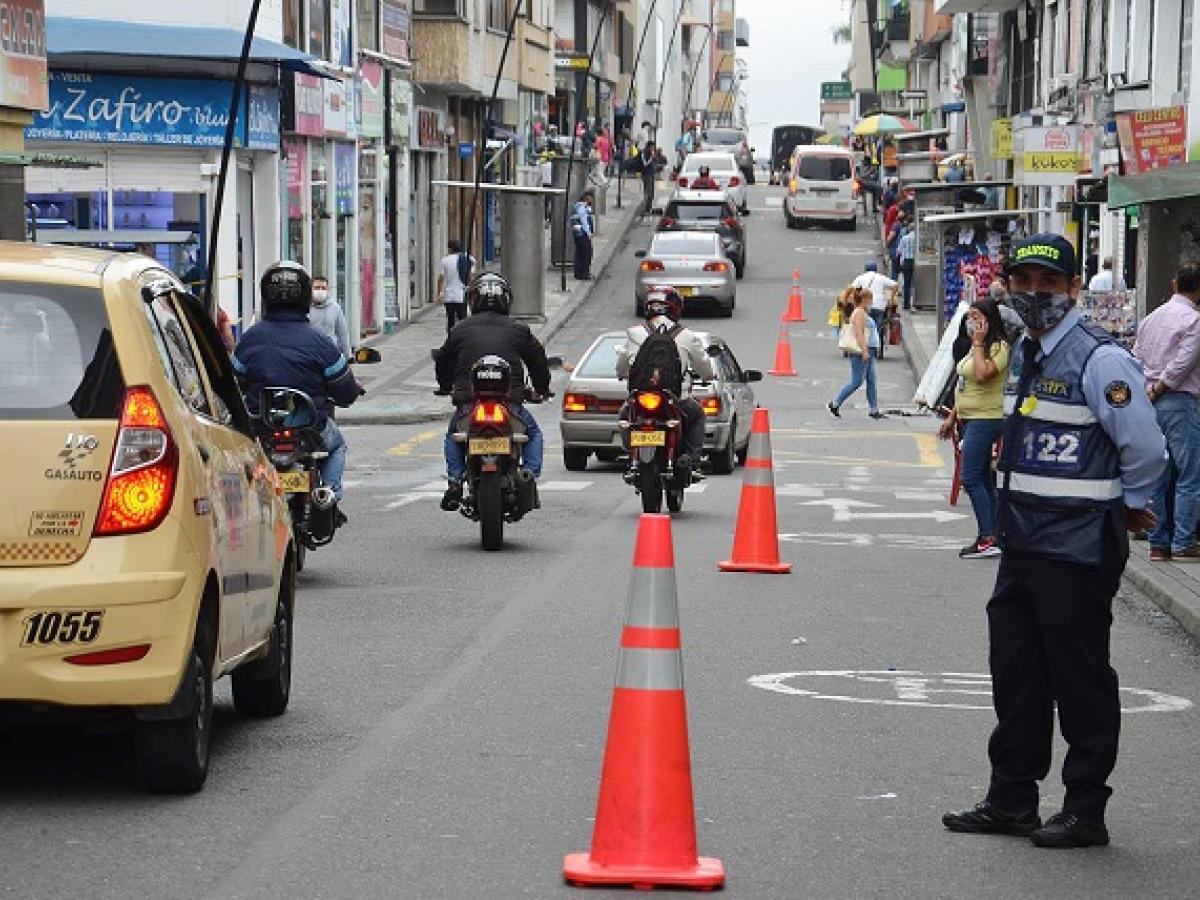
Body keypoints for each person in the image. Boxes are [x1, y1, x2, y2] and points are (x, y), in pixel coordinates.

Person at [943, 233, 1166, 849]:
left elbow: (1145, 447)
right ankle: (1012, 799)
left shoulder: (1100, 360)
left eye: (1049, 284)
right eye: (1024, 283)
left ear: (1075, 289)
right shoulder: (1027, 354)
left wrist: (1132, 504)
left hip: (1078, 547)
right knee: (1017, 674)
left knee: (1080, 678)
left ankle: (1084, 809)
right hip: (1024, 543)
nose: (1035, 294)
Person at [233, 261, 363, 503]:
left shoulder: (250, 339)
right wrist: (350, 391)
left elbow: (232, 383)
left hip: (262, 428)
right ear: (306, 296)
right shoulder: (321, 342)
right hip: (312, 429)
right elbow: (345, 391)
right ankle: (329, 491)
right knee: (337, 447)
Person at [434, 273, 551, 511]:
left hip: (469, 404)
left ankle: (455, 481)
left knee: (453, 436)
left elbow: (443, 362)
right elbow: (538, 361)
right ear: (506, 299)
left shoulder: (460, 329)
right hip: (510, 404)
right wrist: (542, 389)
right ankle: (528, 475)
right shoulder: (519, 329)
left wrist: (446, 386)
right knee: (533, 434)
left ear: (473, 299)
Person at [1133, 264, 1200, 561]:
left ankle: (1158, 543)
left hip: (1150, 403)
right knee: (1189, 474)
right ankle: (1184, 541)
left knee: (1159, 474)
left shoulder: (1151, 318)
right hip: (1179, 400)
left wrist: (1145, 392)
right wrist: (1158, 388)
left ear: (1175, 284)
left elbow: (1136, 357)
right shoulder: (1194, 321)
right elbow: (1182, 364)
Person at [616, 288, 715, 481]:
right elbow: (706, 369)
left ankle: (632, 455)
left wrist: (624, 374)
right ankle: (693, 461)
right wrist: (707, 376)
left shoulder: (634, 333)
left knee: (624, 416)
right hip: (676, 398)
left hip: (640, 397)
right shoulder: (687, 336)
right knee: (697, 416)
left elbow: (621, 368)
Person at [938, 298, 1012, 559]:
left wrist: (979, 343)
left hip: (986, 419)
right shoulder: (974, 346)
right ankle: (993, 535)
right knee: (984, 479)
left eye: (977, 317)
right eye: (969, 317)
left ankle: (987, 537)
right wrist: (952, 418)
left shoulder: (999, 347)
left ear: (989, 319)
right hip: (970, 418)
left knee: (970, 478)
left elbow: (982, 375)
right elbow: (965, 383)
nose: (972, 322)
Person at [828, 285, 884, 419]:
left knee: (871, 379)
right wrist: (864, 351)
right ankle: (836, 402)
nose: (871, 303)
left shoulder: (862, 312)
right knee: (857, 381)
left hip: (868, 349)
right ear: (864, 300)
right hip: (860, 351)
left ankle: (874, 409)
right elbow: (858, 332)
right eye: (870, 300)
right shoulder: (859, 312)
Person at [851, 261, 898, 358]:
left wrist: (855, 298)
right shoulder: (881, 277)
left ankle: (865, 345)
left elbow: (852, 288)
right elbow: (895, 285)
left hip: (866, 305)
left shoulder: (861, 277)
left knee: (863, 326)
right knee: (878, 326)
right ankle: (876, 346)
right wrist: (891, 298)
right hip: (880, 306)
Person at [307, 276, 352, 358]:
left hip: (331, 355)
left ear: (327, 290)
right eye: (317, 288)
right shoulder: (304, 308)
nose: (320, 290)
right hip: (310, 355)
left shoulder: (336, 308)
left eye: (323, 288)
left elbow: (343, 334)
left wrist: (348, 357)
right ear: (310, 289)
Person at [437, 239, 474, 335]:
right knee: (463, 319)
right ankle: (462, 338)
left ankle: (451, 339)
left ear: (450, 249)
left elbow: (441, 278)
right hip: (462, 294)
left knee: (450, 319)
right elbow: (471, 277)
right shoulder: (468, 259)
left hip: (449, 295)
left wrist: (440, 293)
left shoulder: (445, 260)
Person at [571, 189, 596, 280]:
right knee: (586, 253)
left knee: (579, 253)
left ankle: (578, 273)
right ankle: (584, 273)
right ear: (587, 197)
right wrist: (589, 234)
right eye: (591, 198)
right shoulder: (581, 207)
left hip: (577, 233)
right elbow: (584, 222)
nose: (592, 201)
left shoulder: (578, 206)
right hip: (582, 233)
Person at [638, 143, 667, 217]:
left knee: (651, 193)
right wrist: (651, 158)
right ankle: (644, 209)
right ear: (648, 147)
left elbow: (654, 163)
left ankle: (648, 208)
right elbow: (645, 163)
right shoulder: (643, 154)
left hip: (651, 174)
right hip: (646, 175)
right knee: (647, 192)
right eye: (651, 147)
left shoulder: (652, 153)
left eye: (653, 148)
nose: (652, 149)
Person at [897, 220, 917, 309]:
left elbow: (899, 251)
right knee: (915, 283)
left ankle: (906, 304)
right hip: (916, 261)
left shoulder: (904, 238)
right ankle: (915, 302)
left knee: (907, 283)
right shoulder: (917, 238)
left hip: (906, 261)